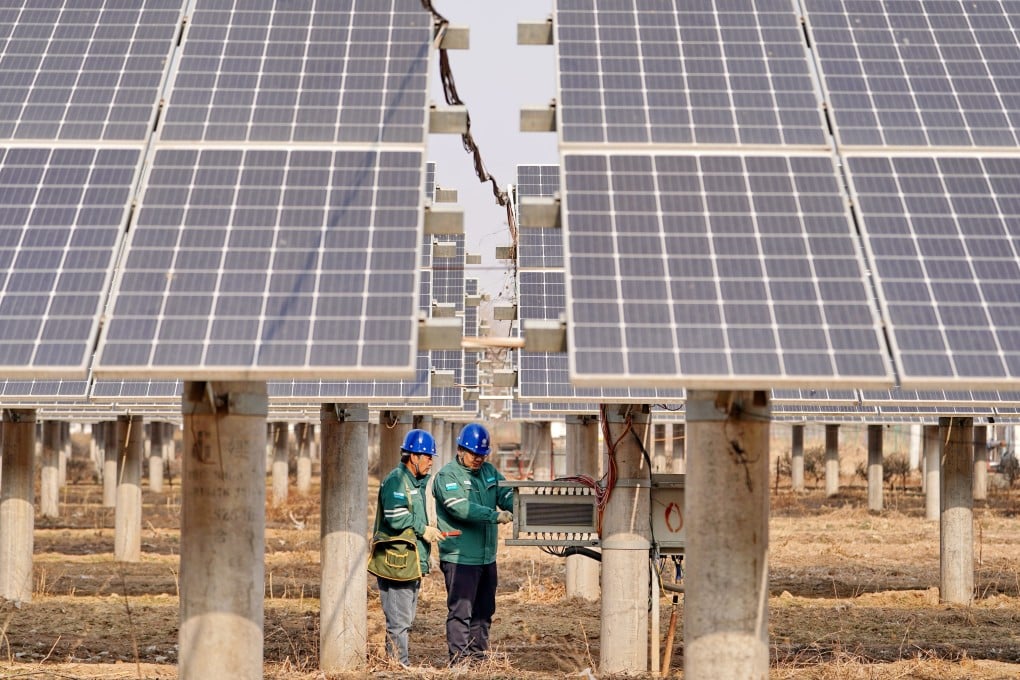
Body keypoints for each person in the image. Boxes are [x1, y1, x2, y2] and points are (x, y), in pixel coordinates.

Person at [432, 422, 515, 666]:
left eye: (482, 454)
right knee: (461, 612)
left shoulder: (489, 472)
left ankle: (477, 659)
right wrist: (494, 515)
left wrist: (521, 505)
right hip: (460, 557)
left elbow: (505, 494)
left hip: (486, 557)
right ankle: (459, 662)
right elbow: (460, 507)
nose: (479, 459)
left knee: (484, 610)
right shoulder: (448, 476)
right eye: (474, 454)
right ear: (460, 450)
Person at [373, 428, 444, 667]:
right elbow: (395, 516)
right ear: (413, 456)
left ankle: (395, 664)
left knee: (404, 618)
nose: (431, 462)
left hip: (409, 563)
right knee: (398, 621)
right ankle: (398, 668)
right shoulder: (397, 480)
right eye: (427, 457)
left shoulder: (416, 483)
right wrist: (422, 528)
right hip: (396, 564)